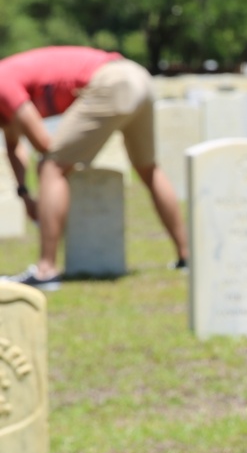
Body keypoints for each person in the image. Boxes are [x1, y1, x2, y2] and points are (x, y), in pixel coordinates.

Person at [0, 45, 188, 288]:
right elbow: (13, 145)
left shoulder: (2, 81)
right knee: (148, 169)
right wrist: (25, 195)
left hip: (111, 82)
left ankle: (46, 270)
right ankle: (187, 257)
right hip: (137, 77)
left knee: (51, 166)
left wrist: (46, 196)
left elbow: (43, 144)